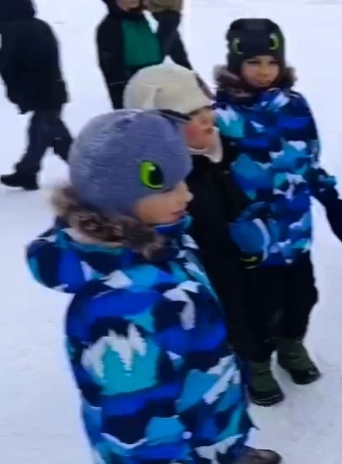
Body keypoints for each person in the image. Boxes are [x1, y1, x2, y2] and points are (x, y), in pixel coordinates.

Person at [26, 109, 281, 464]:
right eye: (167, 187)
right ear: (116, 198)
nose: (186, 195)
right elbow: (140, 432)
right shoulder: (120, 308)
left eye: (183, 180)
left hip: (204, 417)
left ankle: (226, 449)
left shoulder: (163, 241)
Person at [123, 64, 285, 406]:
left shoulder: (228, 151)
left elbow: (257, 194)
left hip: (244, 262)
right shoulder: (162, 186)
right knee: (228, 325)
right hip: (209, 273)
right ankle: (231, 376)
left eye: (206, 108)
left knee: (263, 309)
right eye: (191, 115)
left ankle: (258, 358)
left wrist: (258, 231)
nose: (207, 119)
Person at [215, 18, 342, 396]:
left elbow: (308, 160)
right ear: (237, 64)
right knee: (261, 306)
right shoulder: (223, 117)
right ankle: (258, 360)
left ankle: (291, 345)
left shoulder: (294, 106)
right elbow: (213, 180)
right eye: (254, 62)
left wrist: (330, 198)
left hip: (295, 232)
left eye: (271, 62)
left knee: (303, 297)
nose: (264, 71)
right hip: (254, 239)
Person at [0, 0, 72, 191]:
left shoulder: (12, 29)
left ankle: (88, 168)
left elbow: (9, 62)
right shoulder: (40, 25)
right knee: (40, 131)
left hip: (39, 91)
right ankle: (27, 172)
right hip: (52, 87)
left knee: (53, 134)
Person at [95, 0, 163, 108]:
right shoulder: (110, 26)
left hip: (157, 89)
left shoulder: (141, 20)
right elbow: (113, 71)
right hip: (134, 96)